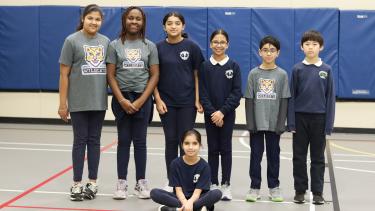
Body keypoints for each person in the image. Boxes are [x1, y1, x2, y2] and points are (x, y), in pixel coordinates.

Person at [106, 6, 159, 200]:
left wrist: (141, 100)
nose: (134, 22)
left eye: (138, 19)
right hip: (121, 98)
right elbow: (110, 75)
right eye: (131, 18)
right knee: (123, 141)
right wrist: (121, 99)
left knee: (140, 142)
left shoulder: (149, 46)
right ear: (124, 21)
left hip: (142, 99)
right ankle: (121, 183)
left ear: (143, 22)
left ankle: (141, 182)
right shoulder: (114, 45)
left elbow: (154, 75)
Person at [58, 4, 109, 201]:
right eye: (90, 18)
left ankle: (92, 183)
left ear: (101, 22)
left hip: (98, 101)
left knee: (95, 141)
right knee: (80, 141)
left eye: (97, 19)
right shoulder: (71, 41)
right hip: (78, 101)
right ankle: (77, 184)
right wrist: (63, 104)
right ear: (83, 19)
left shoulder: (105, 42)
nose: (94, 22)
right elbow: (64, 74)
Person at [153, 12, 205, 191]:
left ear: (183, 26)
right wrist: (157, 100)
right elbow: (153, 77)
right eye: (169, 23)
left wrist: (197, 100)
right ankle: (172, 180)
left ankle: (186, 180)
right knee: (170, 140)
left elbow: (197, 75)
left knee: (186, 142)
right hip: (166, 103)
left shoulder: (192, 47)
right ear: (164, 27)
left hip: (187, 103)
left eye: (177, 23)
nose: (173, 26)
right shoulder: (157, 48)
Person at [287, 30, 335, 205]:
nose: (311, 47)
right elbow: (291, 97)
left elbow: (330, 99)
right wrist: (291, 122)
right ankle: (300, 191)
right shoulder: (297, 69)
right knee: (298, 157)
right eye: (307, 44)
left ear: (321, 47)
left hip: (319, 120)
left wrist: (328, 124)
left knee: (318, 158)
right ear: (301, 47)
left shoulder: (327, 70)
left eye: (315, 44)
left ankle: (317, 192)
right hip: (300, 119)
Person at [244, 35, 290, 202]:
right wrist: (250, 122)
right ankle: (254, 187)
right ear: (259, 52)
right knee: (255, 155)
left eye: (272, 50)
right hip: (257, 122)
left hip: (274, 124)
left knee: (273, 155)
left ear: (278, 53)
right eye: (265, 50)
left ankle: (274, 187)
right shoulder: (253, 74)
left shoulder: (282, 74)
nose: (268, 53)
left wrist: (281, 123)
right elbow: (249, 99)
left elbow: (285, 99)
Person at [198, 29, 242, 200]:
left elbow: (236, 93)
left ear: (227, 44)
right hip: (210, 116)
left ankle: (226, 184)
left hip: (227, 116)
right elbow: (203, 93)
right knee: (213, 149)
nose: (218, 45)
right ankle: (213, 183)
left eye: (222, 42)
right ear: (210, 44)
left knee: (226, 149)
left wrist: (222, 112)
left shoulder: (234, 66)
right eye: (215, 42)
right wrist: (213, 113)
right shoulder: (204, 66)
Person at [150, 129, 222, 211]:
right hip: (179, 198)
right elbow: (178, 190)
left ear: (200, 145)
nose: (190, 147)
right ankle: (199, 208)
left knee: (217, 193)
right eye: (187, 143)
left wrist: (190, 202)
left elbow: (197, 193)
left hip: (197, 198)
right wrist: (185, 203)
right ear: (182, 145)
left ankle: (175, 209)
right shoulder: (175, 164)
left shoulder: (204, 166)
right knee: (154, 193)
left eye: (194, 143)